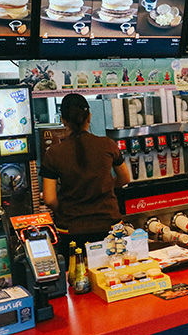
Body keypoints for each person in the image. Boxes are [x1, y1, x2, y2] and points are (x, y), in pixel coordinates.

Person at [40, 93, 130, 258]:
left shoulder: (54, 153)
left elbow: (49, 199)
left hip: (72, 228)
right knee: (113, 273)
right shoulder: (108, 145)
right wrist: (107, 185)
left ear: (63, 120)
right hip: (109, 225)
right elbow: (125, 178)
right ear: (89, 116)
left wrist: (66, 209)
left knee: (76, 276)